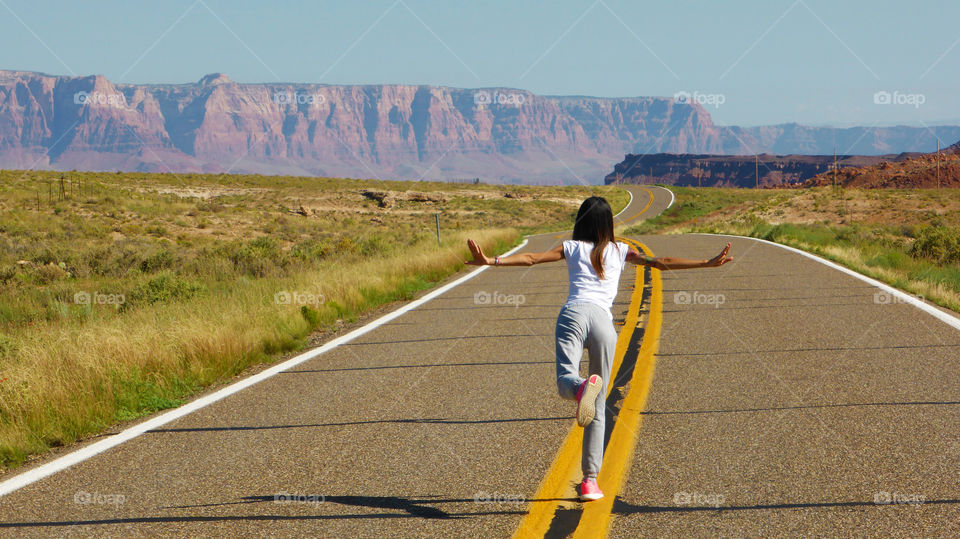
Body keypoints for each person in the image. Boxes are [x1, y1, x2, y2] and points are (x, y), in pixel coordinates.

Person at [466, 196, 732, 501]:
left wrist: (492, 261)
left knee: (566, 380)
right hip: (604, 324)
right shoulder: (620, 250)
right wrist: (706, 263)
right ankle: (590, 481)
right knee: (600, 400)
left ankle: (580, 389)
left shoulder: (571, 247)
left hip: (574, 314)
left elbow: (530, 258)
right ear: (609, 224)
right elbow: (662, 262)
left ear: (581, 221)